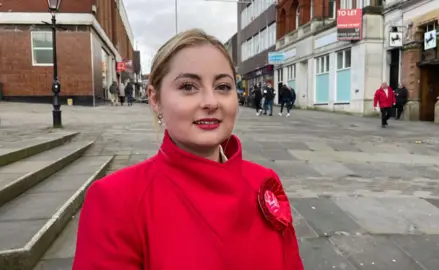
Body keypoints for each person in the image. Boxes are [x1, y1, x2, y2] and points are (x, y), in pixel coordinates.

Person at [73, 29, 303, 270]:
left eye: (223, 86)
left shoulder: (264, 183)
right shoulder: (116, 200)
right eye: (188, 87)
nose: (211, 102)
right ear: (155, 99)